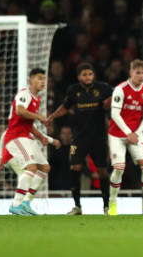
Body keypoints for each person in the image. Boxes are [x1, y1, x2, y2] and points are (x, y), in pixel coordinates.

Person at [46, 62, 113, 215]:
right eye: (84, 75)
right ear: (79, 77)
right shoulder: (73, 90)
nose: (88, 77)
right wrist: (52, 117)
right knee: (75, 168)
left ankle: (106, 206)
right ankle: (77, 206)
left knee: (102, 171)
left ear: (93, 75)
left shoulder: (103, 88)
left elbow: (118, 96)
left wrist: (110, 103)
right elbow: (65, 107)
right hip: (79, 137)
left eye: (90, 74)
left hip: (98, 137)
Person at [0, 68, 61, 215]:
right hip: (15, 137)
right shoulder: (24, 94)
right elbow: (20, 111)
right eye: (39, 78)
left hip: (26, 137)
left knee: (45, 168)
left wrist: (42, 137)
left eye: (44, 79)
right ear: (31, 80)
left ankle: (26, 202)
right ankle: (16, 204)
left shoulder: (36, 99)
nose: (42, 82)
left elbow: (28, 124)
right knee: (31, 168)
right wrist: (38, 116)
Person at [107, 59, 143, 216]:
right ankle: (113, 203)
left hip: (136, 134)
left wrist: (136, 133)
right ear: (131, 73)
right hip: (117, 135)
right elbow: (115, 114)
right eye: (138, 73)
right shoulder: (120, 89)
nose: (141, 76)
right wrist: (128, 132)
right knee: (119, 168)